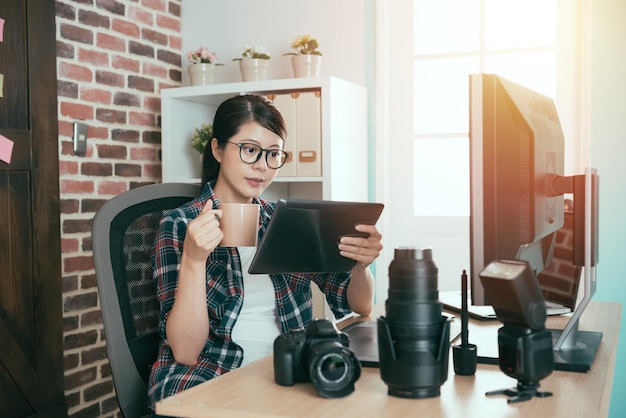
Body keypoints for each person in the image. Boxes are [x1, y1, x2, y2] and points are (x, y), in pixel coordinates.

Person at [147, 94, 383, 411]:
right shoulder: (180, 224)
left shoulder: (288, 221)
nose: (262, 165)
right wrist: (193, 260)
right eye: (249, 150)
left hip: (284, 367)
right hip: (209, 374)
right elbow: (187, 352)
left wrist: (360, 266)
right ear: (217, 149)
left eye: (274, 154)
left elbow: (359, 304)